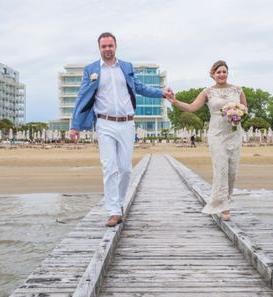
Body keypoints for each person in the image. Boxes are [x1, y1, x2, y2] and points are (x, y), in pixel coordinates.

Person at [68, 33, 174, 227]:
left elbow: (140, 88)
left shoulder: (126, 67)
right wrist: (74, 126)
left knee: (125, 169)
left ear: (116, 46)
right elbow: (81, 97)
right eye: (103, 46)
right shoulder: (91, 70)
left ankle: (120, 203)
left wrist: (161, 93)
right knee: (109, 167)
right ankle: (113, 210)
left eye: (110, 46)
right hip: (104, 123)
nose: (107, 49)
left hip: (126, 123)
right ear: (99, 48)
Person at [167, 60, 248, 221]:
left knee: (232, 171)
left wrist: (237, 112)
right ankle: (224, 207)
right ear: (213, 74)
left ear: (228, 73)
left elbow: (245, 109)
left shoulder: (238, 90)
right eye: (218, 72)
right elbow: (191, 107)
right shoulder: (208, 92)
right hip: (217, 135)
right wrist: (175, 101)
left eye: (224, 71)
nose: (222, 74)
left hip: (234, 133)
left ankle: (225, 199)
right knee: (221, 169)